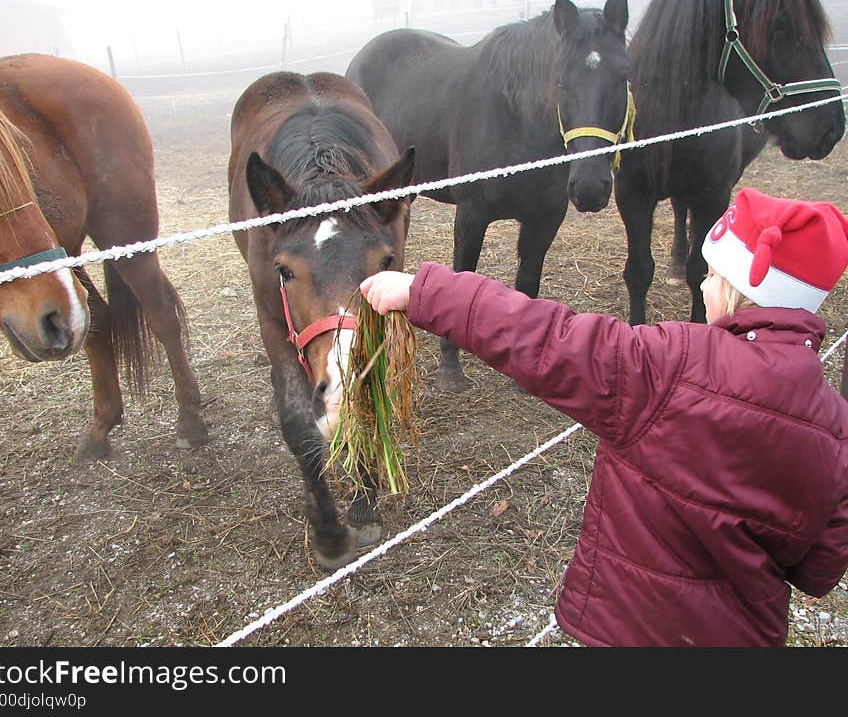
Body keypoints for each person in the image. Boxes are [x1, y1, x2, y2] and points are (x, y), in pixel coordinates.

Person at [359, 188, 848, 647]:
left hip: (635, 628)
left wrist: (423, 291)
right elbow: (819, 571)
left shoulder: (670, 364)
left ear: (740, 292)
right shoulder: (835, 425)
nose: (703, 283)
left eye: (714, 277)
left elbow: (548, 338)